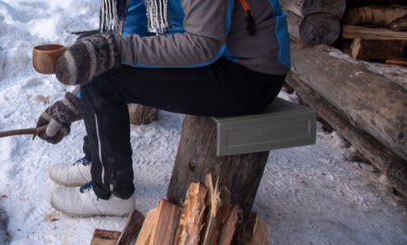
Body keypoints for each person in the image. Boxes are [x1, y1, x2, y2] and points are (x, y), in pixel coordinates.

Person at [36, 0, 290, 216]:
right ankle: (98, 162)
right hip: (216, 58)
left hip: (249, 74)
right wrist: (73, 104)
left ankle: (111, 193)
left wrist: (117, 51)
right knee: (96, 51)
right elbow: (127, 37)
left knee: (106, 79)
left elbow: (203, 46)